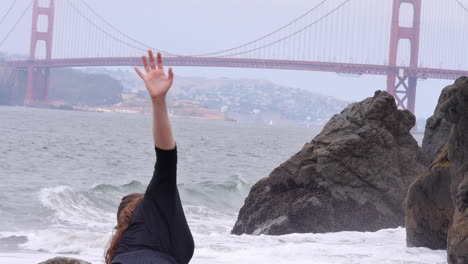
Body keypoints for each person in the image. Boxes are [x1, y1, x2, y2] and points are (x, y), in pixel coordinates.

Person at [105, 50, 194, 264]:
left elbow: (166, 157)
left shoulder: (121, 249)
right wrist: (159, 101)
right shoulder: (160, 208)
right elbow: (166, 158)